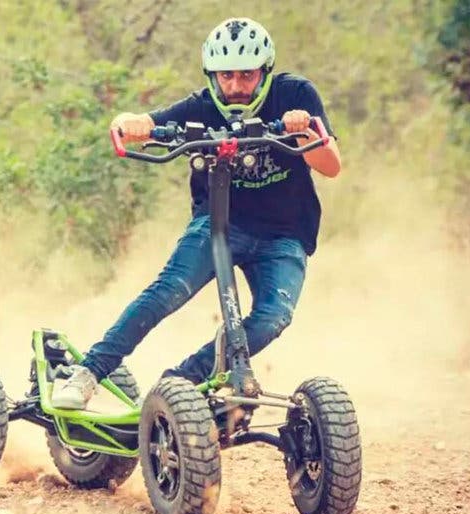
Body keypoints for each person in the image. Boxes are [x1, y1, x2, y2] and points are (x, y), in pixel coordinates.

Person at [51, 17, 341, 410]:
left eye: (246, 75)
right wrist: (130, 123)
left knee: (273, 317)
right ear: (211, 75)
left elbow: (331, 165)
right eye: (225, 77)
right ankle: (87, 373)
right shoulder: (201, 108)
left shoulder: (296, 95)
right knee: (167, 291)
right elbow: (140, 123)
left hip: (285, 234)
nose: (236, 87)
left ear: (265, 72)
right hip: (220, 225)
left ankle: (181, 383)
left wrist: (304, 131)